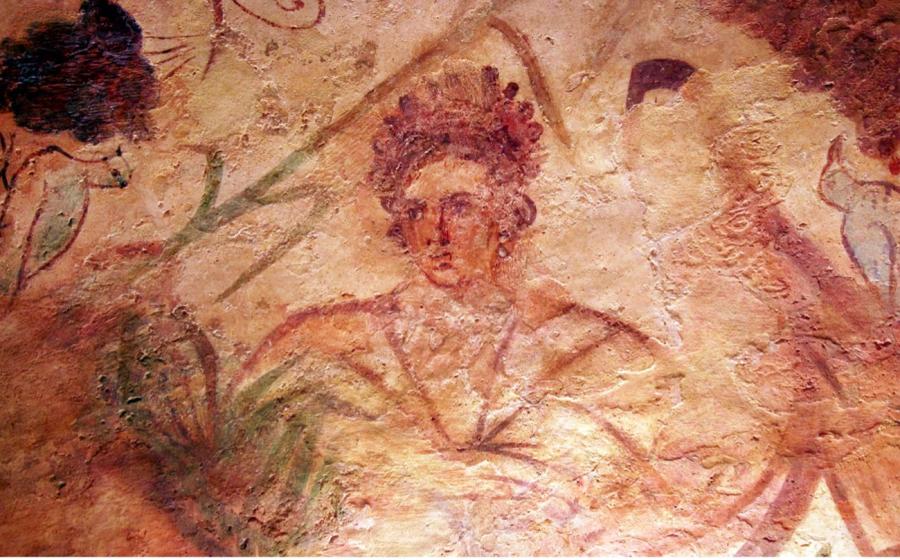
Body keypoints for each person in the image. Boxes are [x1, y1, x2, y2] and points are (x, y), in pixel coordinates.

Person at [230, 62, 686, 554]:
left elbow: (647, 508)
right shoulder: (320, 343)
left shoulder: (590, 349)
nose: (437, 231)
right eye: (416, 210)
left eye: (461, 206)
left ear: (506, 216)